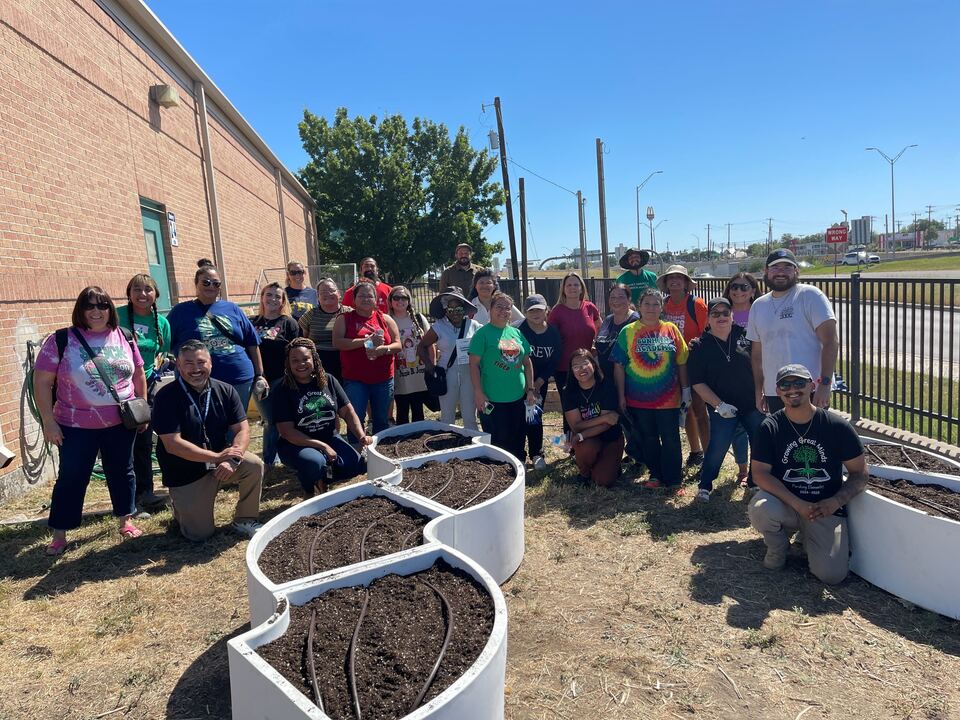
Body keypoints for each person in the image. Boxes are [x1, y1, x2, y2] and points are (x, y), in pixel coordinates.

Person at [33, 287, 148, 554]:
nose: (96, 312)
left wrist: (142, 407)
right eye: (89, 306)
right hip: (75, 426)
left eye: (102, 305)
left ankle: (125, 519)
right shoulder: (62, 340)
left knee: (122, 471)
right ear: (80, 311)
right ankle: (60, 533)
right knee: (72, 477)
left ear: (110, 309)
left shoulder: (125, 337)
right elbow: (42, 382)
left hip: (121, 423)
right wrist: (48, 422)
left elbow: (138, 374)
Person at [748, 364, 867, 583]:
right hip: (788, 504)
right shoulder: (770, 427)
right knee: (760, 508)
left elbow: (860, 474)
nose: (792, 389)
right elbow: (760, 474)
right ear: (778, 390)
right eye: (785, 384)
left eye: (799, 383)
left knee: (832, 576)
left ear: (812, 386)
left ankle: (807, 539)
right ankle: (778, 546)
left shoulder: (836, 426)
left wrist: (835, 501)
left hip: (824, 508)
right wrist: (797, 504)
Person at [152, 341, 263, 540]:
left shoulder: (225, 390)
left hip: (221, 464)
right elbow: (173, 444)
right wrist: (217, 456)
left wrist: (233, 458)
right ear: (178, 365)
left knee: (254, 465)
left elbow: (242, 429)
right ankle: (180, 507)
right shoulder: (166, 396)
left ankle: (245, 519)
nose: (196, 369)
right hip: (186, 472)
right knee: (199, 535)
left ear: (210, 363)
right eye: (188, 363)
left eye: (201, 362)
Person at [611, 288, 690, 493]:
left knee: (671, 439)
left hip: (669, 398)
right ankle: (655, 474)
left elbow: (681, 361)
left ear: (661, 307)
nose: (651, 308)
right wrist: (620, 396)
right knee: (649, 438)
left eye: (656, 304)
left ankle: (674, 480)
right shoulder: (627, 332)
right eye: (647, 304)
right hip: (638, 399)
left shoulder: (671, 329)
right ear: (638, 306)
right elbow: (618, 365)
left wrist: (686, 390)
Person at [688, 297, 764, 502]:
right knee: (717, 447)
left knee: (759, 442)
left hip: (751, 404)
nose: (721, 317)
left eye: (725, 313)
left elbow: (759, 364)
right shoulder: (699, 346)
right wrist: (718, 405)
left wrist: (761, 393)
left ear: (732, 315)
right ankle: (705, 485)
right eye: (715, 313)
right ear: (708, 318)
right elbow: (697, 382)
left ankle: (755, 482)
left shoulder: (746, 336)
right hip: (722, 407)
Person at [273, 338, 369, 497]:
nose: (301, 364)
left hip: (329, 438)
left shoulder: (328, 380)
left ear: (314, 359)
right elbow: (287, 432)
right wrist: (322, 447)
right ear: (288, 363)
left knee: (357, 465)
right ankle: (309, 488)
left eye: (305, 359)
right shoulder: (282, 390)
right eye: (295, 360)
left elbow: (348, 412)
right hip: (296, 445)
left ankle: (324, 478)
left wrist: (361, 436)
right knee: (315, 463)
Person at [166, 259, 267, 411]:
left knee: (236, 426)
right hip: (196, 380)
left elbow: (252, 343)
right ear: (196, 284)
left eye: (216, 283)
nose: (211, 286)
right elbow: (166, 344)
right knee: (201, 425)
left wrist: (259, 374)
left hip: (238, 377)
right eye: (206, 282)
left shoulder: (233, 308)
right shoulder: (180, 312)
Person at [747, 249, 838, 413]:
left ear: (796, 271)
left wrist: (824, 384)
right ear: (766, 271)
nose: (781, 272)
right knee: (782, 437)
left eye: (787, 267)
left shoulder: (810, 295)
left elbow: (830, 342)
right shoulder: (758, 306)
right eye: (775, 267)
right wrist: (759, 390)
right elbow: (756, 355)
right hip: (775, 391)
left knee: (813, 437)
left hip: (808, 389)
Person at [116, 273, 171, 511]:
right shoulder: (116, 316)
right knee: (121, 444)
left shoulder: (161, 323)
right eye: (137, 289)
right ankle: (125, 499)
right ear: (129, 293)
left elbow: (163, 353)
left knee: (144, 440)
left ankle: (145, 492)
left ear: (155, 295)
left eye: (148, 289)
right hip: (116, 388)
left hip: (145, 385)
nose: (142, 294)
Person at [468, 291, 538, 461]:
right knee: (498, 438)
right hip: (492, 398)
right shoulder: (482, 334)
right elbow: (474, 365)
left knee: (518, 433)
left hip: (517, 395)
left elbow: (527, 363)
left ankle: (518, 462)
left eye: (507, 308)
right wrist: (478, 392)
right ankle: (501, 468)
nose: (504, 311)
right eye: (499, 307)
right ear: (490, 309)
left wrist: (530, 389)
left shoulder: (516, 333)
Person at [332, 279, 401, 438]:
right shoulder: (344, 318)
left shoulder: (385, 319)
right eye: (361, 296)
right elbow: (338, 343)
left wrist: (383, 350)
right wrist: (367, 341)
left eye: (370, 296)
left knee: (381, 419)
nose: (365, 299)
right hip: (356, 379)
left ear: (376, 299)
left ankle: (379, 454)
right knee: (355, 418)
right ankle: (357, 452)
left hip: (383, 378)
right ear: (354, 299)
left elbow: (398, 345)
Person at [658, 264, 709, 466]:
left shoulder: (696, 304)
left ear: (687, 283)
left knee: (699, 410)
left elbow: (707, 333)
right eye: (671, 278)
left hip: (693, 364)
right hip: (670, 365)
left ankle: (709, 455)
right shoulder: (662, 305)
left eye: (680, 278)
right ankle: (695, 451)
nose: (675, 281)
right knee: (684, 408)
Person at [250, 283, 300, 466]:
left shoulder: (289, 322)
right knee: (270, 419)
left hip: (283, 379)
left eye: (277, 296)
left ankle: (282, 456)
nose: (273, 299)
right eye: (269, 295)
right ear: (262, 297)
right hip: (259, 380)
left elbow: (297, 351)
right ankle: (270, 460)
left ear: (283, 301)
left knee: (283, 419)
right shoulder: (251, 322)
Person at [419, 287, 481, 430]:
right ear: (445, 310)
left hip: (469, 373)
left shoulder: (474, 325)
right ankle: (447, 445)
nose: (455, 313)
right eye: (450, 310)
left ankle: (472, 446)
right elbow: (422, 346)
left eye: (458, 309)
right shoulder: (439, 326)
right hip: (447, 373)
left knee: (470, 415)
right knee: (447, 415)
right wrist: (429, 365)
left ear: (464, 309)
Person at [594, 282, 641, 467]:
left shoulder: (636, 321)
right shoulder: (608, 320)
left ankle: (642, 455)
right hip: (609, 379)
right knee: (622, 418)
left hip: (631, 379)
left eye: (621, 297)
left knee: (634, 417)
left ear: (629, 299)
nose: (616, 301)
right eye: (613, 297)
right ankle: (632, 451)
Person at [562, 349, 624, 487]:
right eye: (576, 367)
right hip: (589, 439)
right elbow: (576, 426)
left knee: (602, 481)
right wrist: (604, 418)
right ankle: (584, 473)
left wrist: (581, 434)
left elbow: (608, 425)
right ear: (571, 371)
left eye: (585, 364)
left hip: (611, 438)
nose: (581, 369)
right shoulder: (568, 391)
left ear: (594, 365)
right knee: (585, 447)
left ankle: (610, 465)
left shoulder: (606, 386)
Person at [516, 294, 561, 471]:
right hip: (520, 383)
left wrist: (538, 384)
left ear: (546, 311)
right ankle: (519, 455)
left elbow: (554, 360)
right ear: (525, 312)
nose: (536, 314)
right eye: (531, 310)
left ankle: (537, 453)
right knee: (519, 418)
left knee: (534, 417)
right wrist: (527, 385)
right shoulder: (518, 331)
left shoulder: (552, 332)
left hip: (540, 382)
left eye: (539, 310)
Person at [724, 272, 761, 485]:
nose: (738, 291)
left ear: (753, 290)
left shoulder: (760, 311)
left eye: (744, 287)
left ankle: (758, 472)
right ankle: (743, 470)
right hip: (730, 380)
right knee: (737, 429)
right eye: (734, 287)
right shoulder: (721, 311)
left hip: (756, 377)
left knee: (757, 427)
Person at [548, 272, 601, 397]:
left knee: (590, 405)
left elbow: (601, 329)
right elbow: (550, 338)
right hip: (564, 368)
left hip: (587, 366)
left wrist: (596, 346)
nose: (572, 288)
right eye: (569, 285)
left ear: (581, 288)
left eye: (576, 285)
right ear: (563, 289)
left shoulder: (590, 307)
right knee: (570, 407)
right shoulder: (557, 311)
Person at [388, 285, 433, 424]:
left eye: (404, 297)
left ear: (409, 301)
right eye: (396, 297)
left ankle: (417, 441)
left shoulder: (419, 319)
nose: (400, 301)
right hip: (399, 374)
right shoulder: (387, 320)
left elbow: (430, 344)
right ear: (390, 301)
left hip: (419, 374)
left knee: (418, 411)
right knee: (402, 411)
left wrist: (432, 365)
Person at [298, 278, 351, 382]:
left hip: (344, 361)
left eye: (332, 290)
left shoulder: (349, 313)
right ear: (318, 296)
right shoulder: (310, 315)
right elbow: (303, 340)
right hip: (318, 363)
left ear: (339, 293)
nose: (328, 294)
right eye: (323, 292)